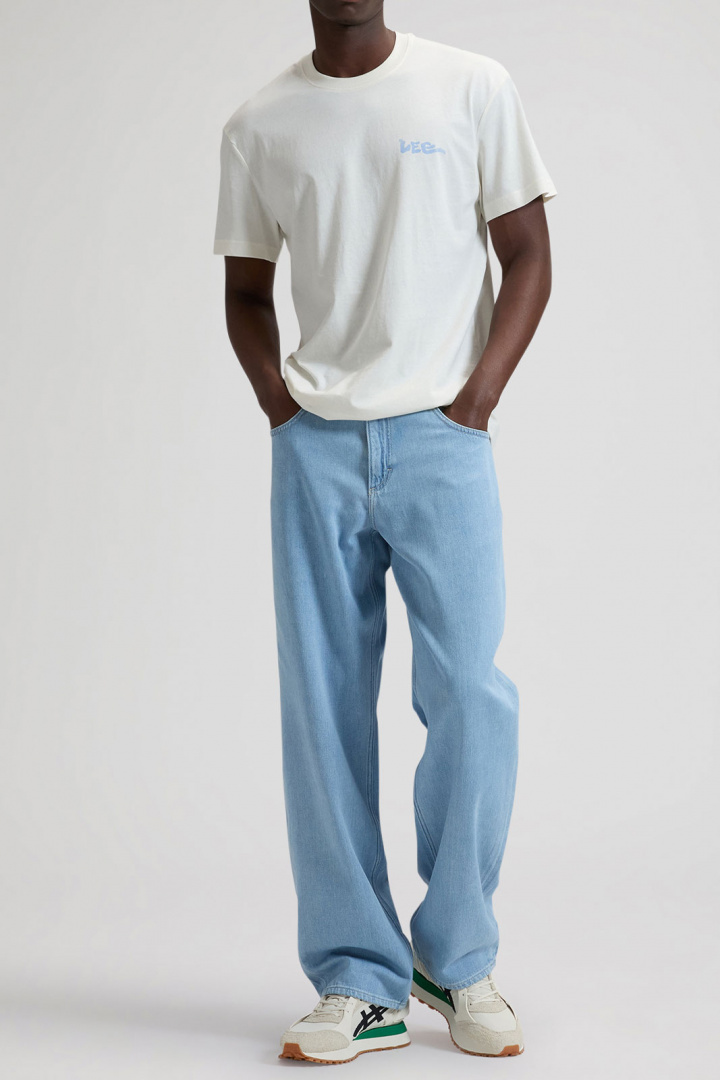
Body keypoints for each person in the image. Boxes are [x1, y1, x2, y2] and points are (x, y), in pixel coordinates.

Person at [213, 0, 556, 1064]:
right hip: (314, 449)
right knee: (321, 708)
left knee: (472, 696)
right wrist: (282, 409)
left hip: (445, 438)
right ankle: (358, 979)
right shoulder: (259, 124)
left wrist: (476, 401)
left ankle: (456, 957)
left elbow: (528, 254)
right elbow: (245, 290)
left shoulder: (471, 86)